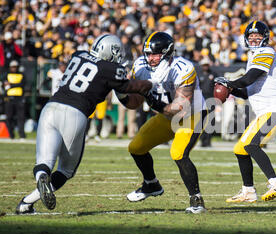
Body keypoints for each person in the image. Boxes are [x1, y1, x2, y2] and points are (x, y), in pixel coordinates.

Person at [16, 34, 154, 214]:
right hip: (75, 114)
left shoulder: (78, 55)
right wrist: (152, 83)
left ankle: (30, 196)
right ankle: (29, 199)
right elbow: (129, 91)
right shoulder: (110, 68)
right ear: (109, 51)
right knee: (66, 170)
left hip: (50, 108)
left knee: (44, 162)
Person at [120, 31, 208, 214]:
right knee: (136, 147)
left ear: (168, 53)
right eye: (148, 53)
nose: (151, 58)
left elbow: (180, 107)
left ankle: (196, 200)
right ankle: (151, 185)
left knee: (178, 153)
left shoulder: (183, 68)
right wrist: (120, 92)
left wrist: (155, 103)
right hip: (166, 115)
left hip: (192, 115)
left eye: (156, 54)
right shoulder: (140, 66)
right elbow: (134, 103)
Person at [214, 21, 276, 203]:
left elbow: (250, 77)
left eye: (258, 36)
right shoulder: (253, 55)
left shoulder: (267, 52)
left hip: (275, 111)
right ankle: (248, 191)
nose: (254, 39)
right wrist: (231, 90)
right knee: (240, 148)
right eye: (251, 36)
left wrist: (229, 83)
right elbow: (247, 91)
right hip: (266, 113)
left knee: (250, 145)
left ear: (265, 38)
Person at [3, 60, 26, 140]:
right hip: (9, 98)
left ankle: (22, 135)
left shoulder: (21, 74)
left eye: (15, 67)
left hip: (19, 98)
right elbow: (4, 84)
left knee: (21, 117)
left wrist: (11, 85)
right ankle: (11, 135)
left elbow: (22, 84)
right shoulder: (7, 74)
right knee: (9, 117)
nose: (14, 68)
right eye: (13, 67)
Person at [197, 57, 218, 147]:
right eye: (204, 65)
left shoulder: (213, 74)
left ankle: (208, 140)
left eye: (207, 65)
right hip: (201, 98)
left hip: (211, 98)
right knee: (201, 120)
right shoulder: (199, 74)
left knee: (210, 121)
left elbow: (217, 88)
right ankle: (202, 140)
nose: (205, 67)